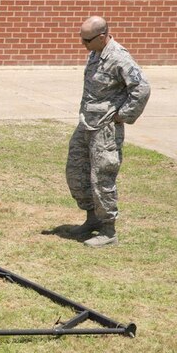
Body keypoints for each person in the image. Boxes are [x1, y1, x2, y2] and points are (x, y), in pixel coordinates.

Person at [64, 16, 150, 248]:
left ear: (102, 36)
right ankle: (91, 219)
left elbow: (141, 89)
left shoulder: (119, 57)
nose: (83, 45)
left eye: (87, 40)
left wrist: (123, 115)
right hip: (87, 124)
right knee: (76, 172)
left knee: (102, 177)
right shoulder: (95, 53)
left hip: (106, 129)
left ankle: (108, 229)